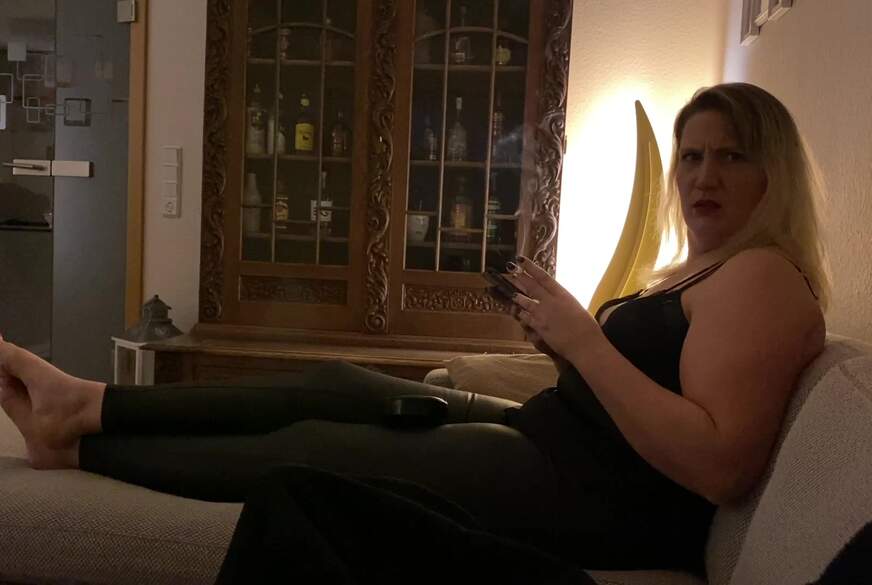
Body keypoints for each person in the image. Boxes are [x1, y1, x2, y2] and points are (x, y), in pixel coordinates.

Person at [0, 82, 830, 581]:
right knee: (335, 383)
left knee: (320, 444)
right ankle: (89, 403)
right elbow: (645, 383)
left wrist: (584, 342)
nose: (703, 176)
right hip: (549, 433)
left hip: (589, 493)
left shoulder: (765, 277)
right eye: (691, 156)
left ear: (776, 169)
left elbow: (717, 463)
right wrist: (566, 343)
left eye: (731, 156)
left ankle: (79, 449)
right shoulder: (701, 267)